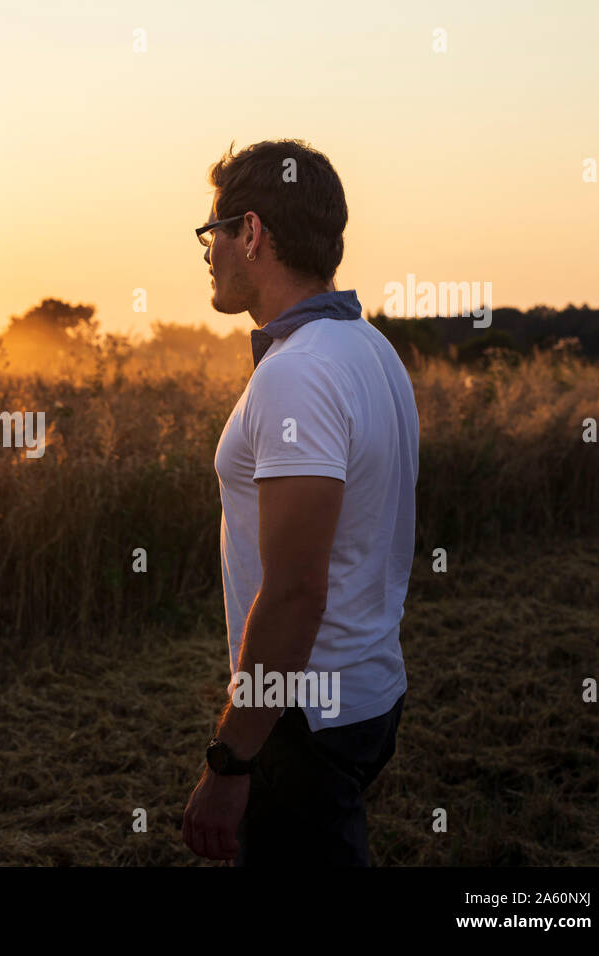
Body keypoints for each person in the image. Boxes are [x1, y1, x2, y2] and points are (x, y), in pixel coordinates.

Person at [181, 140, 418, 866]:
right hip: (367, 692)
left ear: (250, 233)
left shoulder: (301, 374)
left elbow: (293, 593)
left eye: (212, 230)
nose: (207, 251)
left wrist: (230, 761)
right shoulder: (369, 348)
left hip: (304, 718)